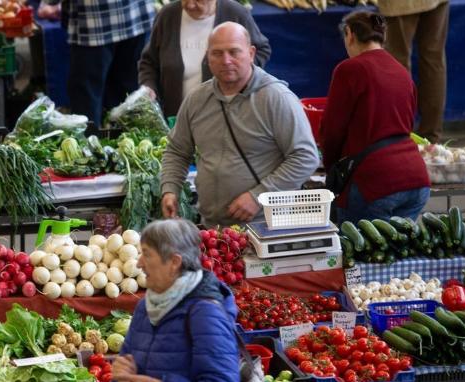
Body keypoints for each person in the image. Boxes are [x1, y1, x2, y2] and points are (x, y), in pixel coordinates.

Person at [159, 22, 319, 228]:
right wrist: (170, 189)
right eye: (217, 53)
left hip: (267, 226)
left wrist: (258, 196)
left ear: (251, 53)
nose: (226, 60)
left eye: (234, 52)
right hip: (213, 227)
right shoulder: (197, 100)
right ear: (207, 57)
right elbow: (177, 151)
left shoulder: (276, 98)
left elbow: (305, 157)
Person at [110, 219, 240, 382]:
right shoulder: (146, 307)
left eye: (147, 254)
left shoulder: (205, 313)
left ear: (174, 262)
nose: (139, 263)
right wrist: (120, 377)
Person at [320, 11, 430, 224]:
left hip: (374, 184)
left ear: (350, 34)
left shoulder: (349, 69)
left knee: (362, 252)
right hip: (417, 180)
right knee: (398, 251)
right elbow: (407, 126)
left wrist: (333, 169)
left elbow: (332, 131)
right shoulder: (402, 72)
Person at [138, 0, 272, 118]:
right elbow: (149, 61)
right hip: (174, 117)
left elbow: (260, 49)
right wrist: (148, 86)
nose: (190, 4)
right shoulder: (167, 15)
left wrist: (237, 74)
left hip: (223, 118)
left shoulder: (235, 13)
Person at [37, 0, 155, 126]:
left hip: (95, 21)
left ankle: (91, 143)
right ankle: (124, 141)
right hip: (136, 16)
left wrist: (49, 3)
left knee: (86, 107)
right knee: (126, 102)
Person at [378, 0, 449, 143]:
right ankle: (431, 137)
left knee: (397, 62)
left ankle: (399, 137)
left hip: (400, 5)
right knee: (433, 59)